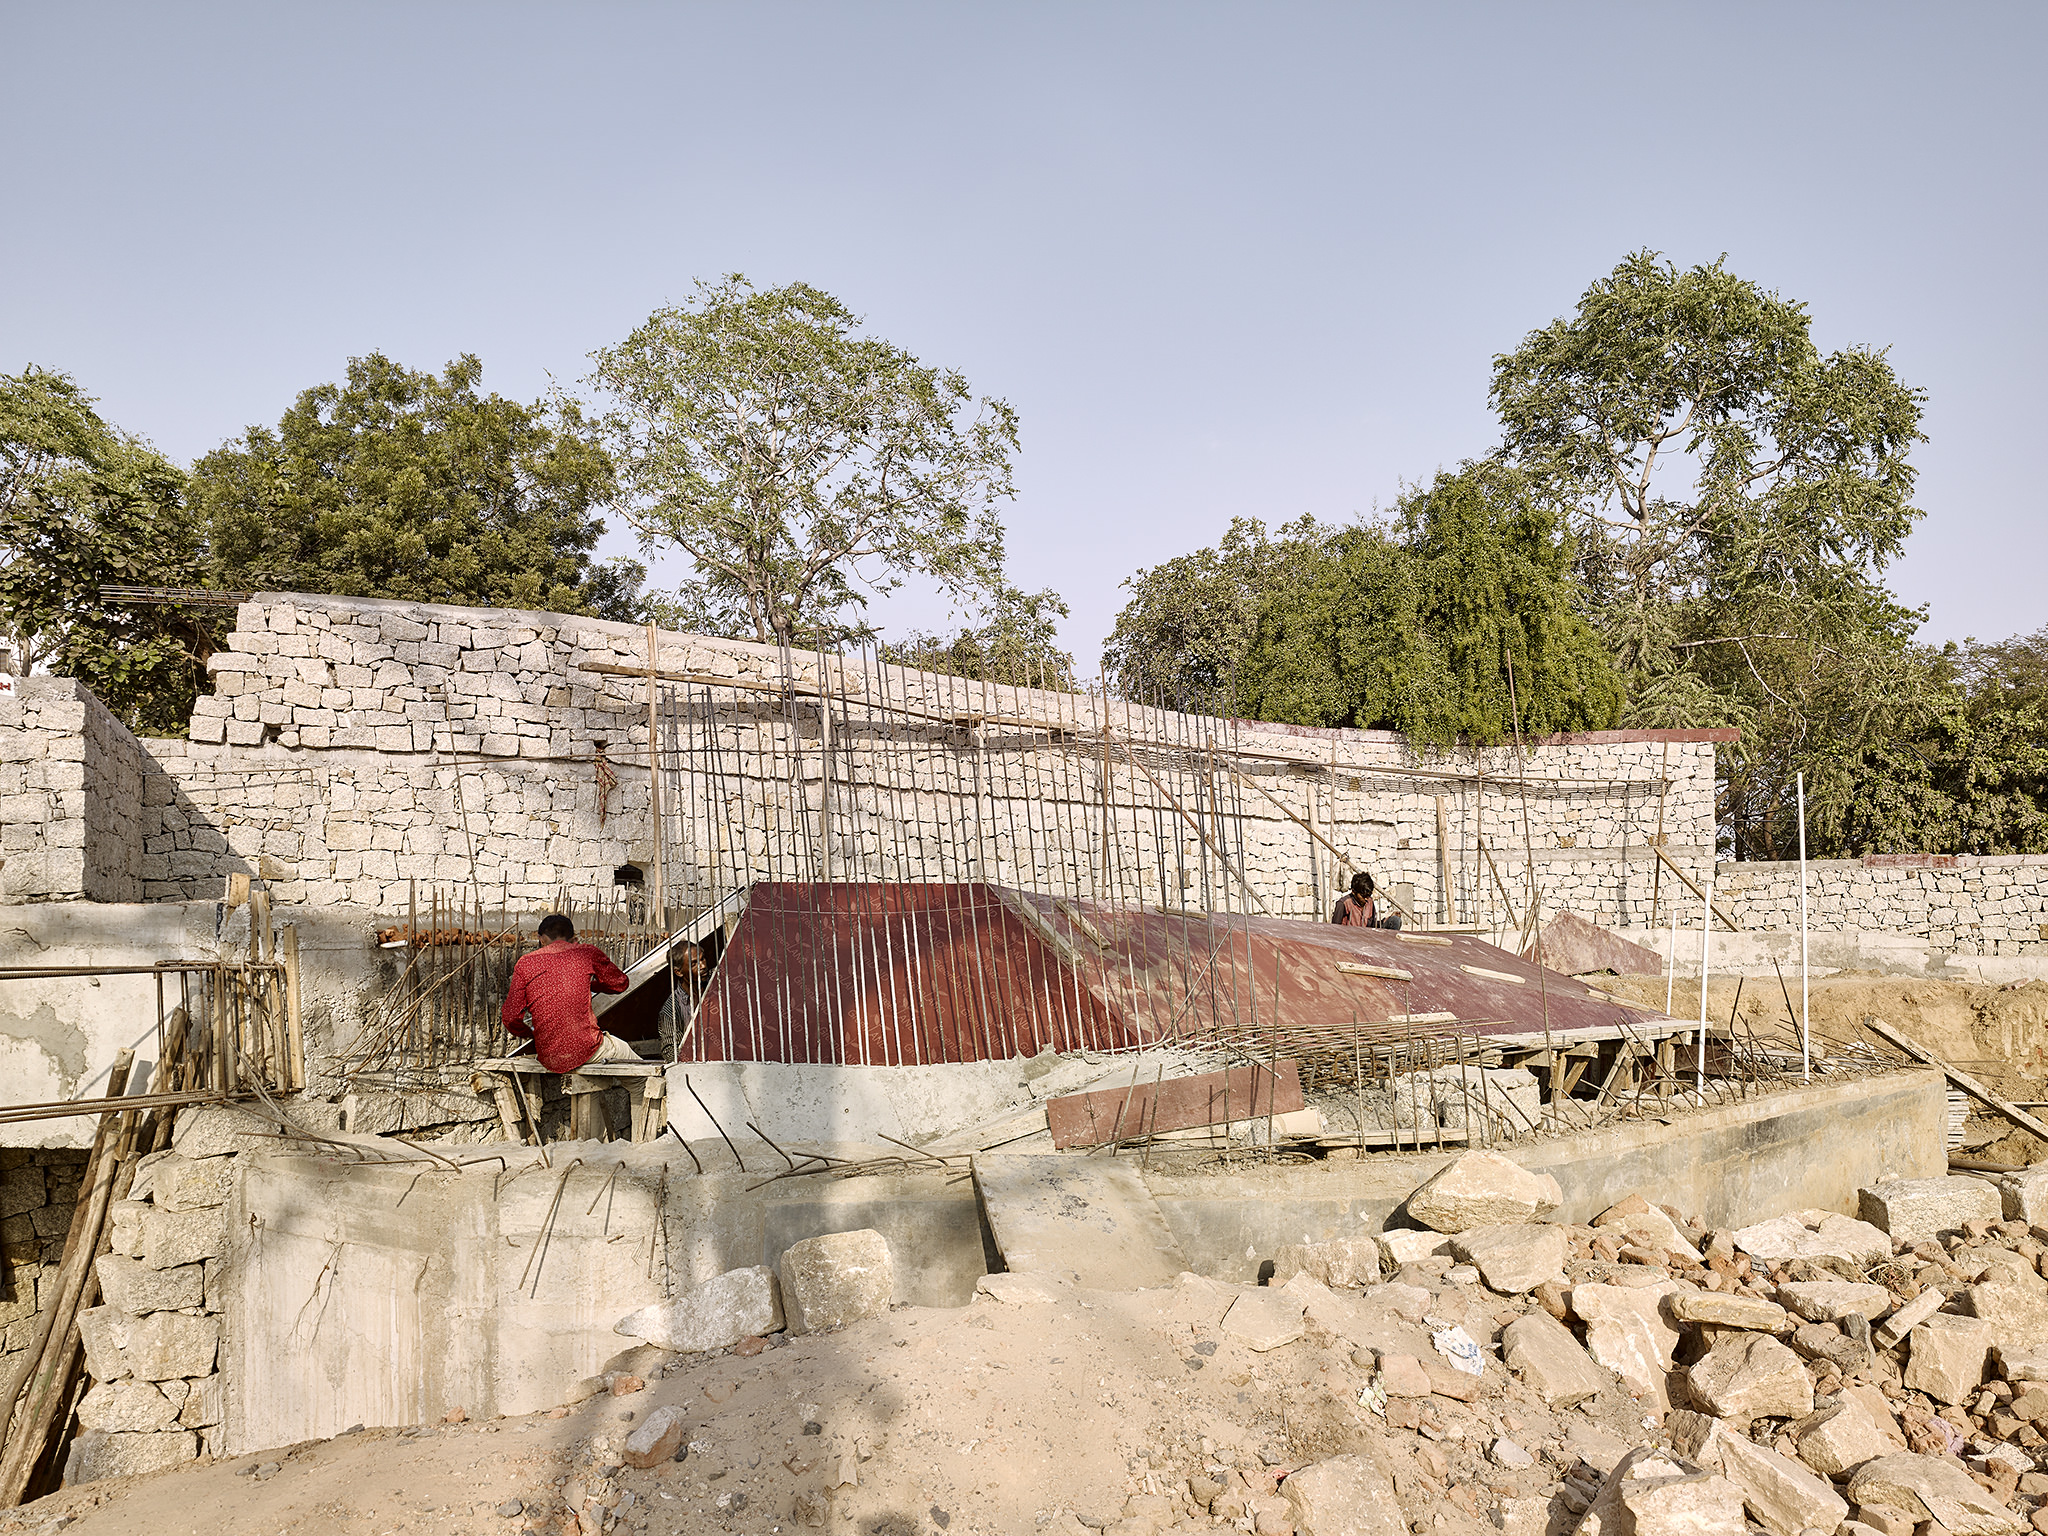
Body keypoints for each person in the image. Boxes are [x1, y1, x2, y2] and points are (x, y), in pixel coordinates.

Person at [500, 913, 635, 1072]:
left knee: (595, 1084)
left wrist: (531, 1034)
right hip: (586, 1050)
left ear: (541, 939)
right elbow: (620, 983)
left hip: (549, 1058)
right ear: (573, 937)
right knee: (637, 1075)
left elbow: (510, 1017)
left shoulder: (525, 963)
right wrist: (593, 985)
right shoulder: (586, 953)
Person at [1331, 871, 1403, 930]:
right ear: (1354, 892)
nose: (1366, 899)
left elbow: (1373, 926)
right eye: (1363, 896)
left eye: (1368, 895)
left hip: (1367, 938)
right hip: (1349, 940)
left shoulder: (1369, 901)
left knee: (1395, 920)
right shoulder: (1343, 904)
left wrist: (1387, 920)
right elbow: (1334, 930)